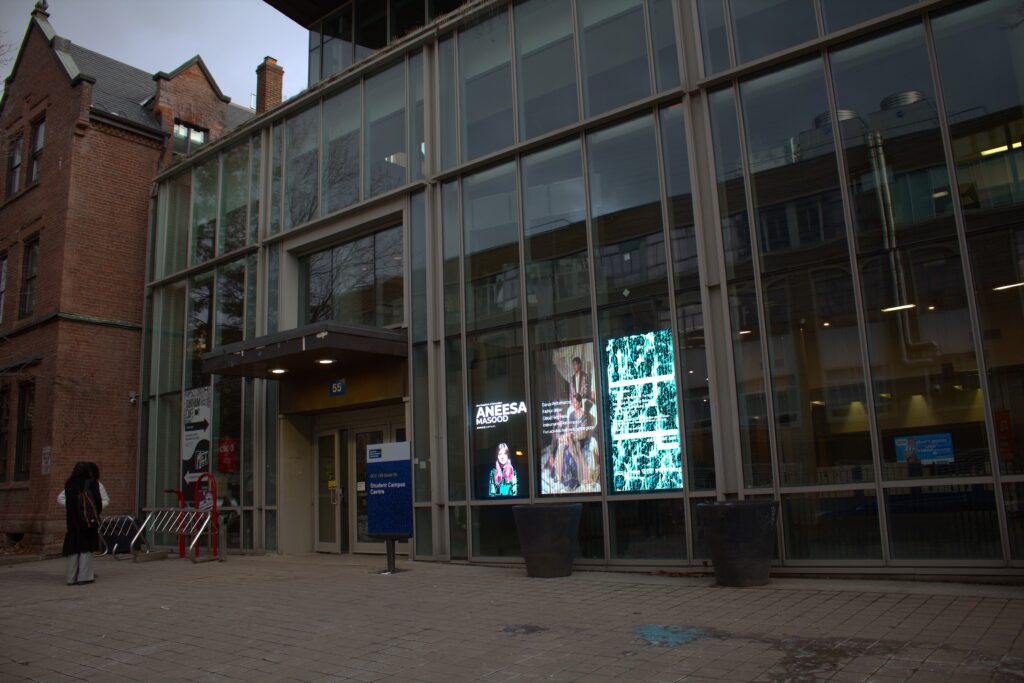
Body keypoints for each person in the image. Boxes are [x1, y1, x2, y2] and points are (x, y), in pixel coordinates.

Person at [62, 461, 103, 585]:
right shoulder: (91, 483)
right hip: (87, 520)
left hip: (72, 520)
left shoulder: (69, 484)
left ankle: (71, 577)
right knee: (86, 547)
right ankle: (84, 576)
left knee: (73, 548)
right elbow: (97, 502)